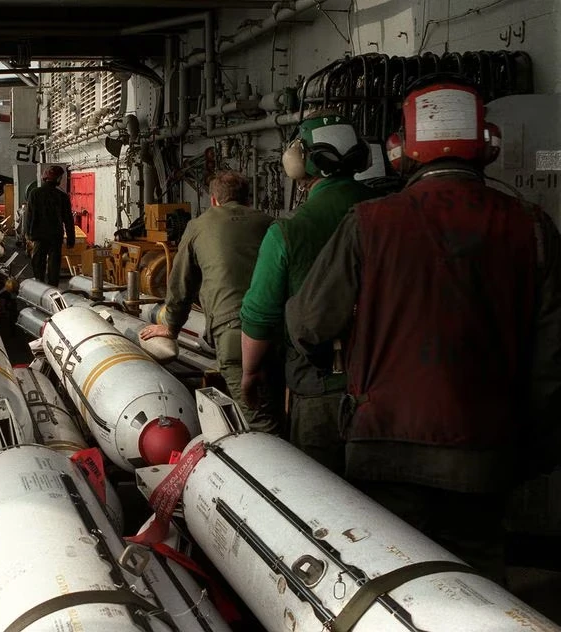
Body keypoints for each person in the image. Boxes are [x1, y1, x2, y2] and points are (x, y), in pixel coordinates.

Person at [285, 74, 561, 582]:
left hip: (384, 446)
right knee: (475, 591)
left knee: (385, 586)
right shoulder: (533, 226)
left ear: (398, 151)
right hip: (485, 453)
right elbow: (552, 360)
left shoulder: (370, 221)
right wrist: (535, 448)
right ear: (489, 145)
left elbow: (307, 323)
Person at [239, 110, 376, 469]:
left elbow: (260, 316)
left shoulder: (288, 232)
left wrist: (250, 374)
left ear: (300, 163)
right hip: (388, 388)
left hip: (321, 388)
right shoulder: (392, 215)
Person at [140, 170, 283, 431]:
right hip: (279, 331)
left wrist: (171, 326)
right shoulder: (270, 223)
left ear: (214, 200)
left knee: (260, 424)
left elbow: (181, 282)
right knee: (276, 407)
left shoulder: (199, 226)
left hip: (234, 332)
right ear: (247, 198)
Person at [23, 165, 74, 286]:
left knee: (38, 263)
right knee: (54, 264)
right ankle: (53, 288)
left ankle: (39, 286)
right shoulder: (62, 196)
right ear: (57, 179)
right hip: (55, 236)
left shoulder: (34, 193)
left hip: (39, 235)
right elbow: (68, 219)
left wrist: (28, 234)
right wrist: (71, 239)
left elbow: (28, 215)